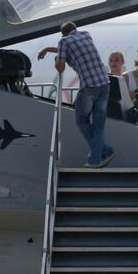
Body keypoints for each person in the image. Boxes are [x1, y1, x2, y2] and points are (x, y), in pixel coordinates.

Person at [39, 22, 115, 168]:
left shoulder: (64, 41)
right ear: (75, 29)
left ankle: (97, 158)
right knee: (98, 125)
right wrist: (49, 49)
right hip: (105, 83)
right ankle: (103, 153)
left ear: (63, 34)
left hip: (89, 87)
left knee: (82, 120)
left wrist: (57, 61)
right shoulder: (86, 35)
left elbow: (60, 68)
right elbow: (72, 49)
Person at [105, 51, 126, 120]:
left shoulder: (126, 79)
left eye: (116, 60)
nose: (113, 63)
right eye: (111, 60)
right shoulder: (104, 80)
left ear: (122, 62)